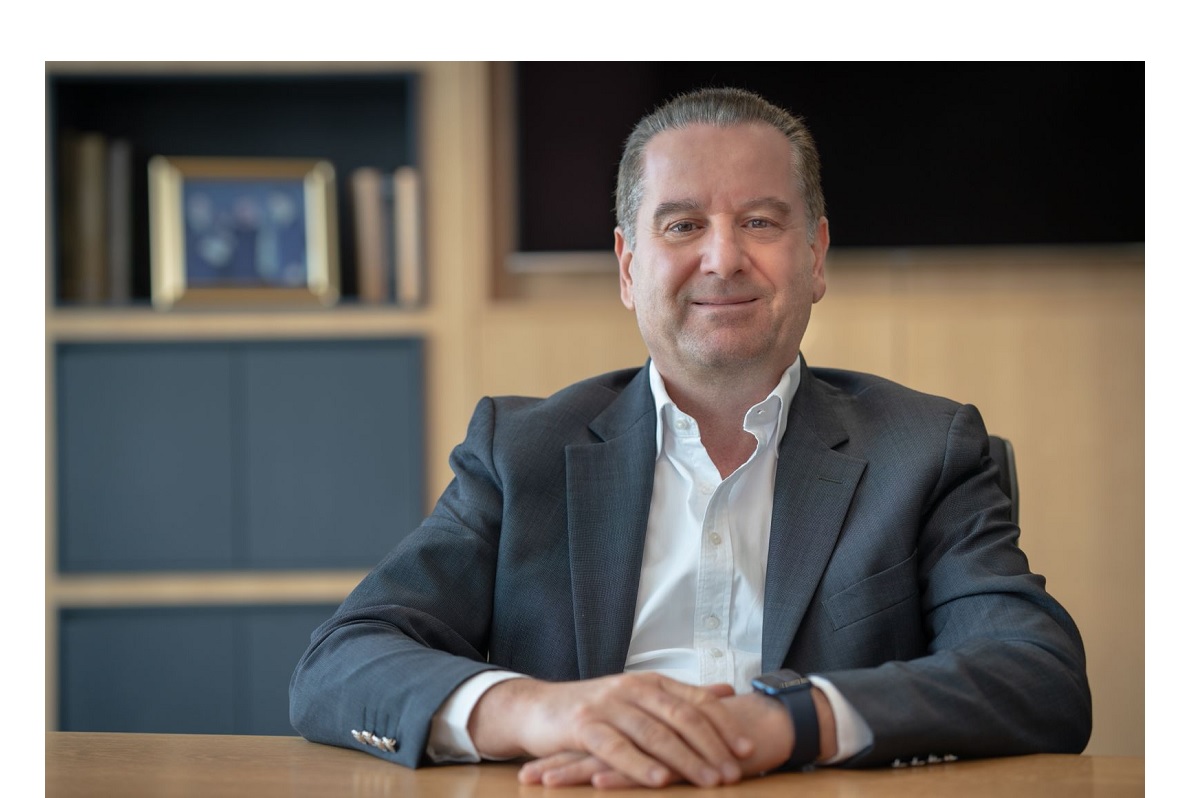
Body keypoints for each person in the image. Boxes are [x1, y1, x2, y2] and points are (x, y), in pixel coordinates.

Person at [289, 87, 1091, 789]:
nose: (722, 257)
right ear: (628, 265)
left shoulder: (928, 450)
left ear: (814, 257)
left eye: (759, 221)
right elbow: (342, 663)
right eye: (682, 224)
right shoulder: (520, 451)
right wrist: (541, 711)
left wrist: (787, 723)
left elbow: (1038, 675)